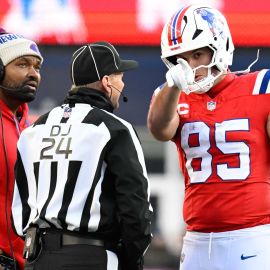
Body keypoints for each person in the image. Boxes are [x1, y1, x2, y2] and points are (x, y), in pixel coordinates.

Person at [147, 4, 270, 270]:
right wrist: (173, 86)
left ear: (220, 45)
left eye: (197, 54)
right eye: (180, 59)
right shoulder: (171, 96)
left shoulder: (262, 87)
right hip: (196, 240)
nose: (191, 66)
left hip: (253, 236)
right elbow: (159, 130)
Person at [11, 41, 153, 270]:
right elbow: (136, 208)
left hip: (37, 258)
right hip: (91, 256)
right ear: (107, 82)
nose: (122, 84)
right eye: (120, 77)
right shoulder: (113, 129)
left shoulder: (34, 129)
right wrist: (132, 259)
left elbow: (20, 206)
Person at [0, 29, 43, 270]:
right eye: (23, 64)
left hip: (22, 262)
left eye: (37, 67)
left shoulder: (31, 127)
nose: (33, 74)